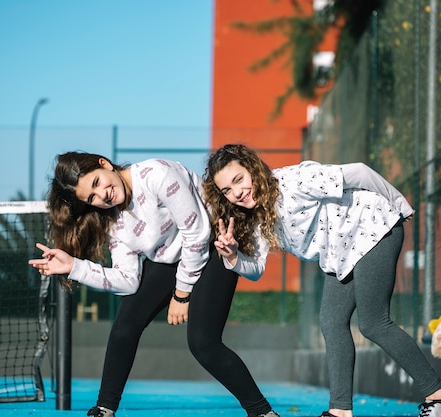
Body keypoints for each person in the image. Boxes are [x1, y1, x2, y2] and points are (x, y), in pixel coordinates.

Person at [202, 143, 441, 417]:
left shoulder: (294, 181)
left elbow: (360, 173)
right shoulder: (255, 216)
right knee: (332, 321)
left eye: (238, 179)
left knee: (373, 323)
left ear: (252, 168)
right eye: (227, 191)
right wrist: (232, 257)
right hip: (342, 252)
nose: (237, 193)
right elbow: (255, 269)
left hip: (372, 228)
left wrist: (399, 203)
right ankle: (340, 411)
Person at [28, 151, 278, 417]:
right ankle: (104, 409)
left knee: (203, 342)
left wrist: (181, 295)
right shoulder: (116, 223)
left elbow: (197, 233)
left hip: (214, 246)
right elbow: (127, 282)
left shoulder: (157, 175)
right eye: (91, 198)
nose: (101, 195)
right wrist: (74, 267)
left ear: (104, 164)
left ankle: (262, 412)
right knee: (125, 323)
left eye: (97, 183)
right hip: (171, 258)